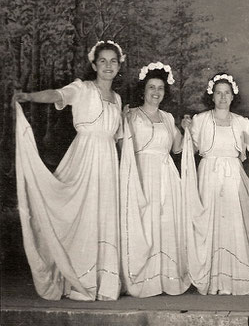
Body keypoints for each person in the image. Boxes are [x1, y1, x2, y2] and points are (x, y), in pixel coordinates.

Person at [13, 40, 125, 301]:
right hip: (84, 156)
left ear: (119, 66)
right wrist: (29, 97)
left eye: (113, 61)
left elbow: (118, 136)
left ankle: (103, 282)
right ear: (94, 64)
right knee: (81, 214)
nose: (108, 66)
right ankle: (80, 282)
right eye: (103, 61)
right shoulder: (83, 88)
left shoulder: (118, 99)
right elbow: (56, 95)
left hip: (108, 161)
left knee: (103, 215)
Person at [181, 73, 249, 295]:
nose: (223, 97)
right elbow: (187, 146)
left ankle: (235, 278)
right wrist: (186, 128)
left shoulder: (241, 122)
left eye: (227, 93)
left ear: (233, 95)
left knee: (234, 223)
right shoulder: (200, 120)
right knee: (210, 223)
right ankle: (211, 278)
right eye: (218, 93)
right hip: (208, 175)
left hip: (233, 177)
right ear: (212, 95)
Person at [119, 62, 190, 297]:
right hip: (140, 173)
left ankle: (165, 279)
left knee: (164, 224)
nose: (156, 92)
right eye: (151, 87)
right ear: (144, 90)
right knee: (144, 224)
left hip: (166, 176)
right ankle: (142, 279)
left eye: (160, 88)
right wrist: (122, 120)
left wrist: (186, 129)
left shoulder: (168, 118)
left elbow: (177, 148)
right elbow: (122, 145)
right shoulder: (132, 114)